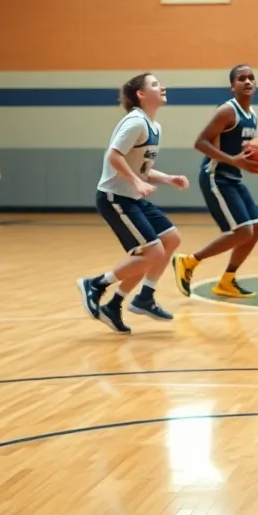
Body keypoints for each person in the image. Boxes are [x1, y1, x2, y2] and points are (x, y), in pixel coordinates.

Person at [78, 73, 189, 333]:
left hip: (133, 197)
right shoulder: (135, 122)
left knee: (171, 239)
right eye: (154, 84)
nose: (162, 86)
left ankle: (136, 299)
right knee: (153, 253)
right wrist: (137, 183)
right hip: (115, 198)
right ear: (140, 94)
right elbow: (114, 156)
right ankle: (96, 284)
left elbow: (141, 169)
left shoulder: (154, 126)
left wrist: (168, 178)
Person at [171, 64, 258, 300]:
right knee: (243, 231)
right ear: (233, 86)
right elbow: (201, 143)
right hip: (215, 176)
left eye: (251, 77)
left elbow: (240, 150)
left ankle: (227, 280)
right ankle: (189, 261)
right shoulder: (226, 111)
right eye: (241, 78)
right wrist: (232, 160)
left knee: (257, 229)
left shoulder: (252, 116)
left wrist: (251, 161)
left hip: (233, 176)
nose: (248, 81)